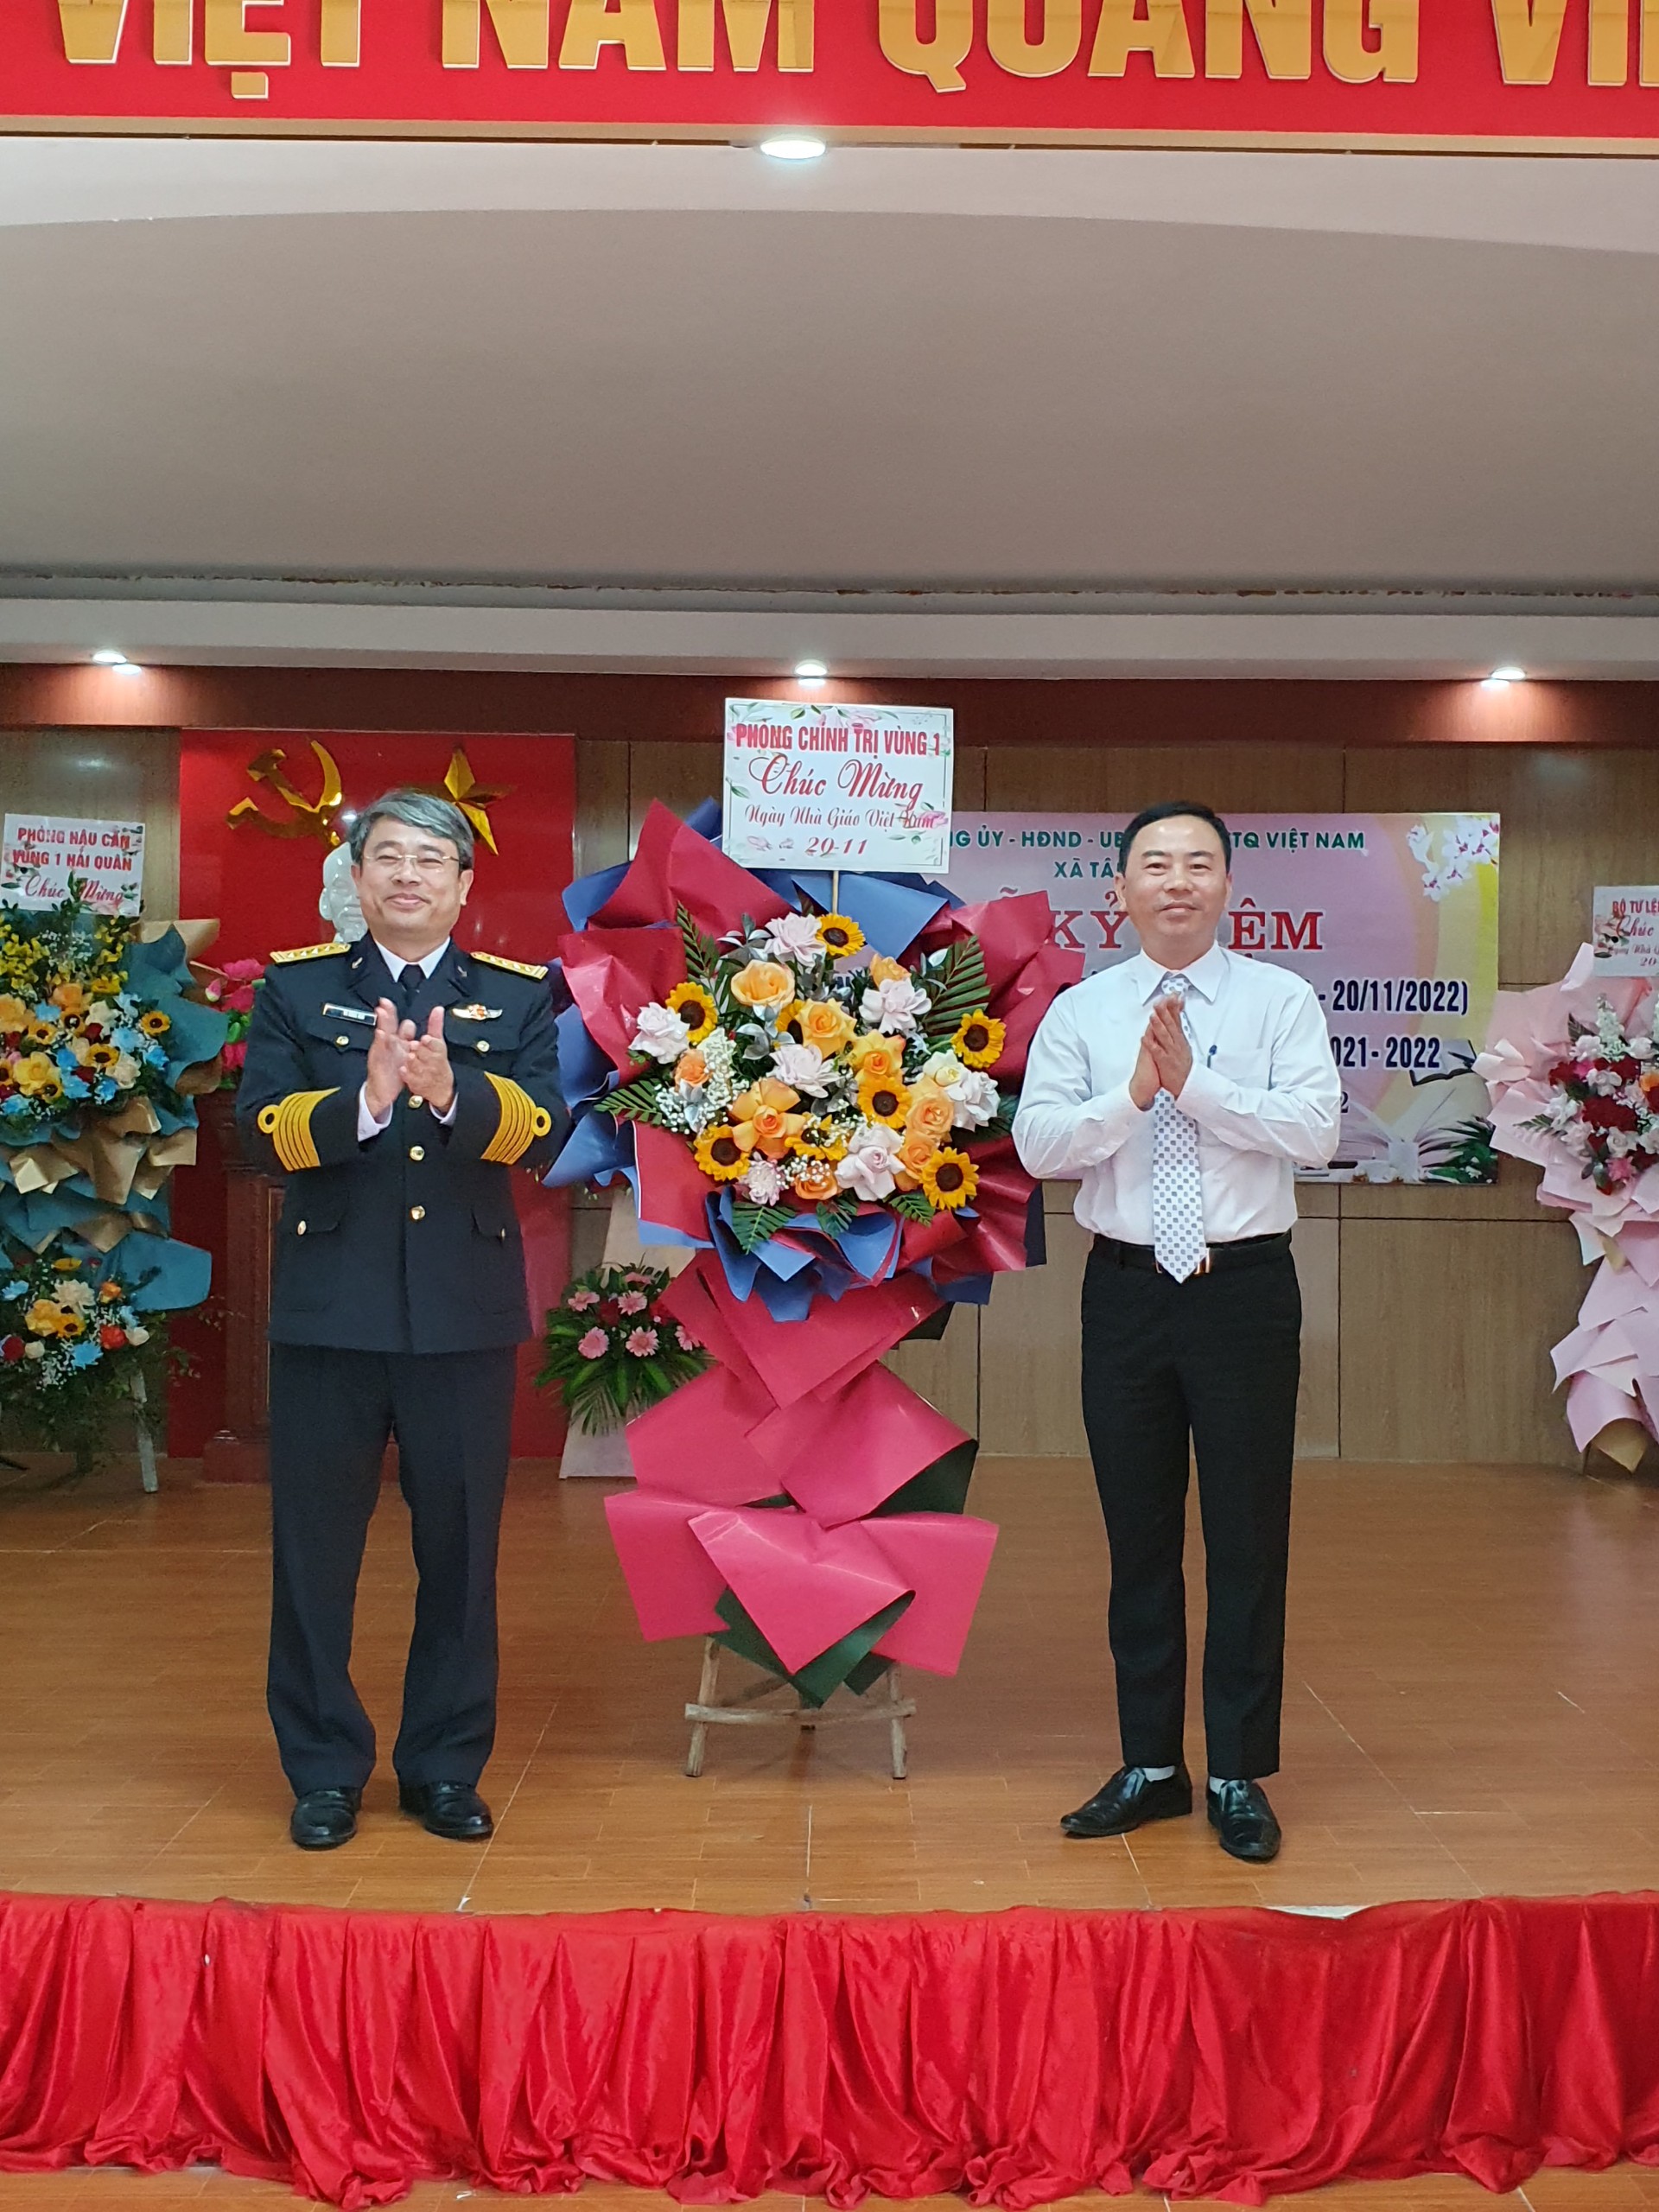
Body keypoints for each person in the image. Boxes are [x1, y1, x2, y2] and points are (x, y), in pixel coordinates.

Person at [238, 790, 568, 1851]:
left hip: (462, 1317)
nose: (409, 875)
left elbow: (544, 1131)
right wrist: (367, 1104)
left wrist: (450, 1092)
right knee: (314, 1555)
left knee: (462, 1557)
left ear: (465, 883)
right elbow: (258, 1133)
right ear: (358, 878)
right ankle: (323, 1770)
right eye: (388, 857)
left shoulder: (518, 995)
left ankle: (444, 1767)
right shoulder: (296, 989)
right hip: (329, 1315)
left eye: (432, 858)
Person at [1013, 802, 1341, 1863]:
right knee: (1138, 1535)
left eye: (1199, 863)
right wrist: (1132, 1097)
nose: (1178, 881)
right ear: (1121, 889)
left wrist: (1198, 1089)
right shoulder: (1084, 1011)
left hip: (1244, 1293)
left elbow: (1316, 1130)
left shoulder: (1280, 1001)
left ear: (1229, 886)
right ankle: (1151, 1764)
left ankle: (1239, 1768)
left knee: (1248, 1535)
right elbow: (1039, 1143)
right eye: (1155, 863)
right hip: (1126, 1294)